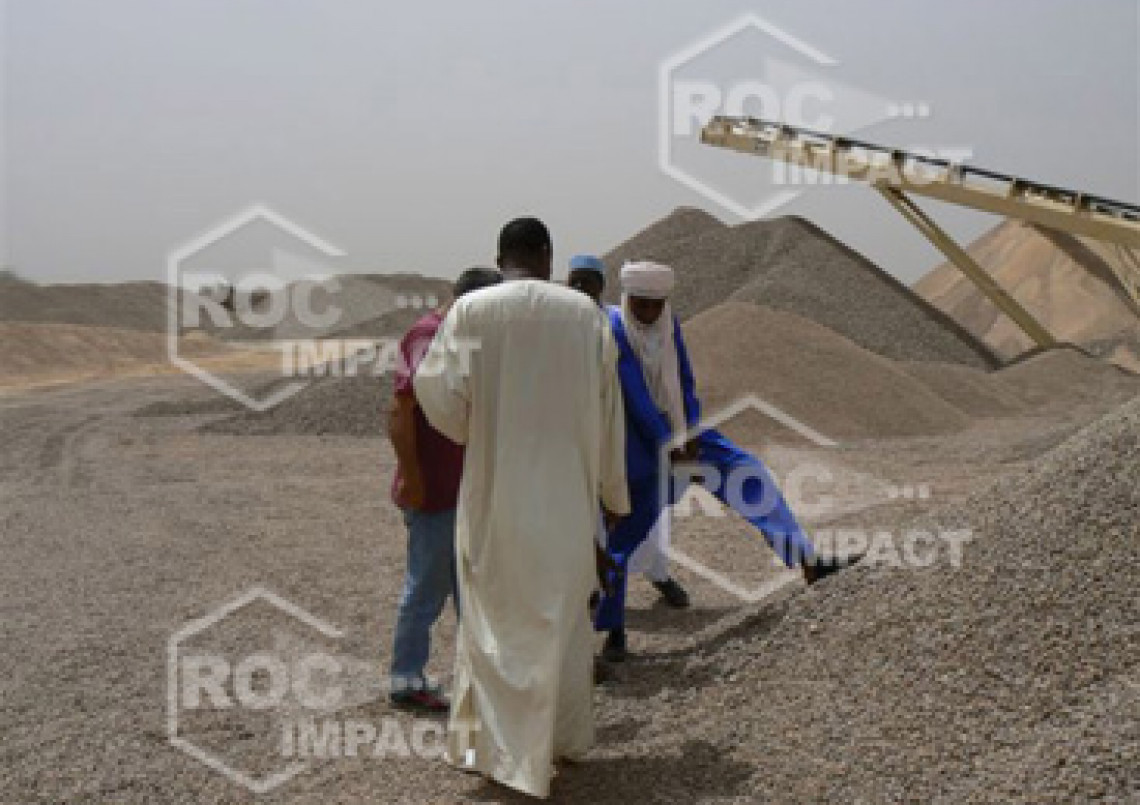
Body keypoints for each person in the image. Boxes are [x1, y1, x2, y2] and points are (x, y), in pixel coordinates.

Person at [413, 218, 630, 798]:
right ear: (546, 255)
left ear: (502, 256)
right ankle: (558, 742)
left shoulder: (471, 312)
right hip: (567, 502)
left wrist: (480, 427)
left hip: (496, 498)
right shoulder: (586, 316)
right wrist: (613, 495)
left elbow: (438, 398)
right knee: (561, 624)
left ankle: (506, 754)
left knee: (497, 625)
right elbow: (612, 415)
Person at [594, 261, 862, 662]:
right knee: (623, 536)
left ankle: (807, 560)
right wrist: (671, 441)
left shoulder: (669, 324)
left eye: (656, 305)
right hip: (639, 442)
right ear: (627, 298)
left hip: (682, 432)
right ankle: (612, 631)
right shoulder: (612, 331)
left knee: (745, 471)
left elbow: (683, 379)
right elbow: (633, 395)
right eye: (641, 305)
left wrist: (691, 430)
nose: (649, 314)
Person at [387, 267, 504, 712]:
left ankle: (476, 679)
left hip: (463, 487)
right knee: (425, 588)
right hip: (435, 490)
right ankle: (405, 678)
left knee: (468, 588)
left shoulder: (460, 337)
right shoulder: (428, 335)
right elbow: (400, 412)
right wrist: (414, 479)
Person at [567, 253, 691, 611]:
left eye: (588, 282)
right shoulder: (557, 320)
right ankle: (597, 594)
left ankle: (659, 577)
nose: (580, 289)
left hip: (622, 434)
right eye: (574, 281)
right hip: (577, 435)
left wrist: (672, 435)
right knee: (588, 521)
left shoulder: (615, 322)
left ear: (601, 287)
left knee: (641, 522)